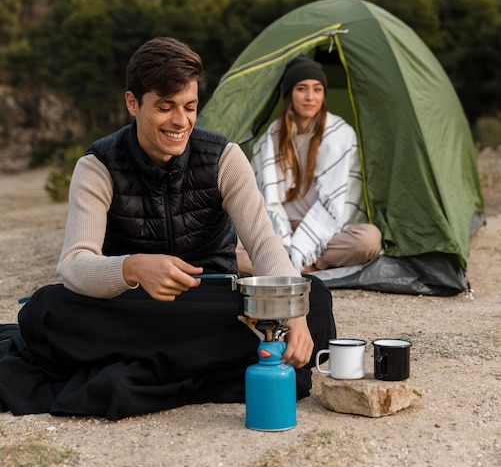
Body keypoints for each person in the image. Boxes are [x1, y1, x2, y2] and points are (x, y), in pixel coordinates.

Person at [0, 38, 335, 421]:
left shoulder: (224, 157)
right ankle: (214, 368)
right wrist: (133, 268)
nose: (181, 121)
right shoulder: (97, 166)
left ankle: (151, 369)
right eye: (165, 107)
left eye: (189, 107)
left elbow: (263, 245)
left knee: (315, 301)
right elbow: (75, 264)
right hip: (134, 308)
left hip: (210, 301)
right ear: (132, 103)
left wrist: (292, 313)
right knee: (46, 311)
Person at [244, 54, 382, 275]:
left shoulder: (341, 134)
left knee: (369, 240)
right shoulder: (270, 139)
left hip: (325, 232)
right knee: (233, 248)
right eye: (302, 89)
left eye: (317, 89)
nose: (310, 97)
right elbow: (258, 199)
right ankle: (296, 264)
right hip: (280, 228)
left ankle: (296, 266)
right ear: (289, 94)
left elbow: (343, 200)